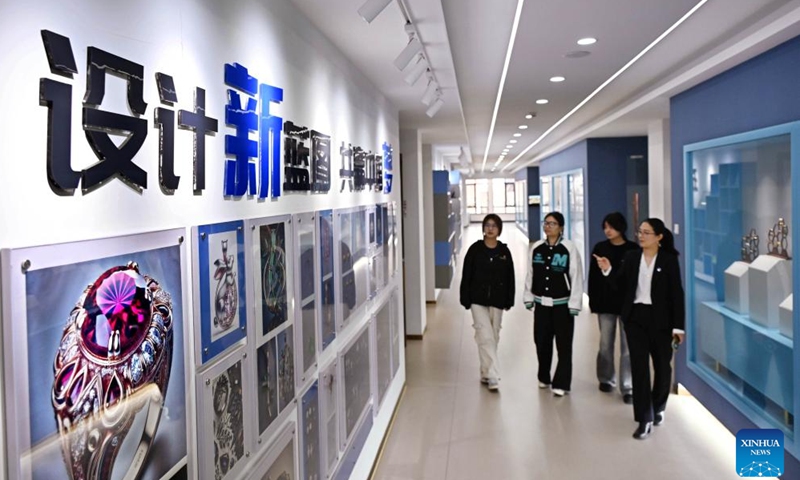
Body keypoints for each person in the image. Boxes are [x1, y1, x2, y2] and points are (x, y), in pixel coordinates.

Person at [594, 218, 685, 440]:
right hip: (635, 319)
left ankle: (659, 406)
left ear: (659, 237)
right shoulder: (632, 257)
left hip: (661, 321)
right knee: (639, 368)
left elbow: (676, 295)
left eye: (646, 232)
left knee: (663, 367)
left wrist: (678, 327)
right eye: (640, 232)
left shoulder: (669, 260)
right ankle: (644, 418)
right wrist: (607, 270)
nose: (641, 236)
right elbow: (619, 284)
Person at [523, 212, 583, 397]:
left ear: (561, 227)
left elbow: (576, 276)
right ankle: (544, 376)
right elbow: (530, 274)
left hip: (562, 306)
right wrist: (528, 297)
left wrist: (574, 304)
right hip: (541, 305)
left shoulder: (568, 248)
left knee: (564, 345)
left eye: (553, 223)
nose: (548, 226)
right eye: (546, 223)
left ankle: (562, 383)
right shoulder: (537, 248)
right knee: (541, 341)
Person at [460, 214, 516, 391]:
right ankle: (493, 375)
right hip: (477, 299)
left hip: (498, 300)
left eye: (494, 226)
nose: (490, 228)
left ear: (499, 229)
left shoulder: (504, 252)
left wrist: (509, 299)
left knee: (494, 335)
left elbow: (510, 278)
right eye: (487, 225)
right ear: (483, 228)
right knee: (485, 334)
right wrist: (465, 298)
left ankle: (485, 371)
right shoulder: (475, 250)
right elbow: (466, 275)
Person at [588, 212, 639, 404]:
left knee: (628, 348)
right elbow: (593, 278)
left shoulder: (633, 250)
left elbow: (633, 280)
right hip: (606, 304)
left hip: (628, 306)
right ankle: (605, 378)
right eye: (605, 227)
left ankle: (628, 386)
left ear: (621, 228)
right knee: (605, 343)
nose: (607, 231)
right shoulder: (600, 248)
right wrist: (594, 302)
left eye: (611, 227)